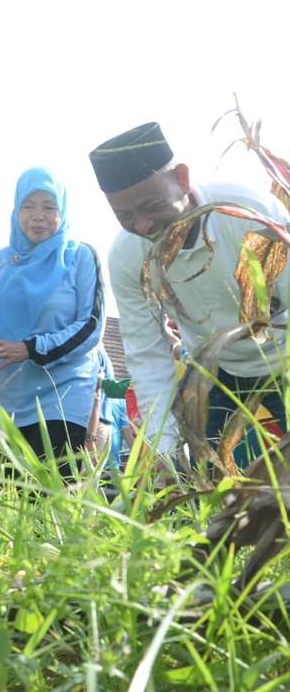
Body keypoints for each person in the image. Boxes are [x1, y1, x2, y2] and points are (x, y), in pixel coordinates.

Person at [89, 121, 290, 461]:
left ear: (181, 178)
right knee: (205, 482)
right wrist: (163, 451)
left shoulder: (249, 212)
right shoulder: (128, 257)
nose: (142, 226)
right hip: (216, 370)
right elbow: (147, 355)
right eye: (124, 216)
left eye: (152, 207)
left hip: (283, 357)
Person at [0, 167, 105, 468]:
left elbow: (90, 327)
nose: (38, 215)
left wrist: (30, 348)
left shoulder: (79, 256)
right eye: (28, 206)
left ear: (62, 211)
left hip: (63, 394)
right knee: (6, 499)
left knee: (53, 497)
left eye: (49, 207)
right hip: (7, 397)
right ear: (15, 211)